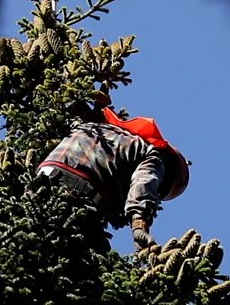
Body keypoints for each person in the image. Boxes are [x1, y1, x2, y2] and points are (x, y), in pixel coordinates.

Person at [37, 106, 189, 251]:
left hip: (39, 181)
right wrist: (139, 226)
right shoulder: (150, 154)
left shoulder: (95, 126)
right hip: (79, 196)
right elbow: (142, 185)